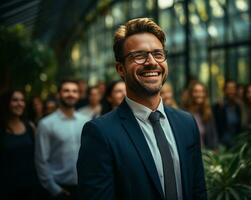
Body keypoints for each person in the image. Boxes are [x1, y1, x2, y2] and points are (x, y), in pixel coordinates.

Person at [77, 18, 207, 200]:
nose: (151, 62)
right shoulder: (100, 133)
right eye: (139, 55)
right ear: (120, 69)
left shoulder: (186, 123)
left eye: (158, 54)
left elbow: (198, 189)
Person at [35, 80, 89, 200]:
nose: (71, 94)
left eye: (74, 91)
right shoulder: (46, 124)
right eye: (66, 91)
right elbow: (41, 160)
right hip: (59, 189)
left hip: (85, 187)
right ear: (58, 95)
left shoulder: (87, 121)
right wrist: (54, 189)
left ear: (79, 95)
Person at [0, 89, 40, 200]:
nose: (20, 103)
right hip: (6, 189)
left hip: (30, 187)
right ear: (6, 102)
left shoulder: (30, 127)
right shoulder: (2, 129)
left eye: (22, 100)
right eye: (15, 100)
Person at [183, 81, 218, 150]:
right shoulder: (184, 114)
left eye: (202, 91)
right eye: (196, 91)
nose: (199, 94)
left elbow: (213, 136)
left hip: (207, 155)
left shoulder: (208, 113)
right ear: (191, 94)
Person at [213, 79, 242, 148]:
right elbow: (215, 128)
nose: (231, 91)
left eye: (233, 89)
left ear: (236, 90)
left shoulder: (239, 107)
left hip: (237, 144)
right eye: (228, 89)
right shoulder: (218, 107)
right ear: (224, 90)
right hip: (222, 144)